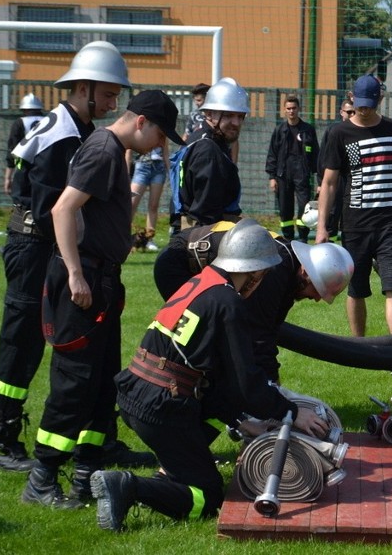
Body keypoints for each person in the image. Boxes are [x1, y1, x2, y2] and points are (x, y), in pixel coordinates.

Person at [90, 219, 329, 531]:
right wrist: (291, 412)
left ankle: (175, 466)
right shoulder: (230, 303)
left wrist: (242, 421)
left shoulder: (202, 283)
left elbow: (218, 380)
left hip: (138, 392)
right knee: (207, 495)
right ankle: (127, 486)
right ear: (255, 273)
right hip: (161, 407)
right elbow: (247, 382)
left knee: (204, 445)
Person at [21, 90, 185, 509]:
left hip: (101, 280)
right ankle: (42, 478)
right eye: (161, 135)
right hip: (84, 282)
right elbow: (63, 209)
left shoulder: (112, 150)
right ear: (142, 122)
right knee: (74, 382)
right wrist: (76, 274)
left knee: (100, 381)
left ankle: (86, 472)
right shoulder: (104, 150)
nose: (161, 146)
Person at [0, 42, 139, 474]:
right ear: (84, 88)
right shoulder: (64, 134)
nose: (114, 104)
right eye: (109, 95)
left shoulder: (77, 127)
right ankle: (2, 436)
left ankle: (95, 440)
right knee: (22, 341)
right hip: (34, 246)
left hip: (44, 245)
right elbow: (50, 207)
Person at [154, 221, 354, 382]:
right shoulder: (276, 271)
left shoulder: (287, 272)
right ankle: (177, 387)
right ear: (306, 272)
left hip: (188, 259)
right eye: (318, 290)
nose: (317, 298)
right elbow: (258, 337)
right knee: (207, 341)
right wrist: (273, 395)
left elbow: (269, 333)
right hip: (178, 266)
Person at [316, 75, 392, 337]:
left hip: (390, 224)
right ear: (351, 98)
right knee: (357, 289)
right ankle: (358, 346)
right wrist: (321, 227)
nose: (364, 109)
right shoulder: (339, 133)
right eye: (359, 104)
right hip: (355, 225)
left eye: (369, 104)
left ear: (380, 100)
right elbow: (328, 183)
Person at [178, 77, 248, 230]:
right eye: (229, 115)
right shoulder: (208, 151)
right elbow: (206, 212)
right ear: (209, 114)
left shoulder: (202, 139)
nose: (236, 123)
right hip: (206, 235)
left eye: (240, 116)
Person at [266, 94, 320, 242]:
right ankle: (288, 239)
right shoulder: (279, 131)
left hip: (302, 175)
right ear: (284, 110)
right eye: (288, 108)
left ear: (299, 109)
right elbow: (272, 154)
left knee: (304, 208)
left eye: (294, 108)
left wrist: (320, 181)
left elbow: (316, 154)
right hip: (283, 175)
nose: (291, 111)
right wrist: (272, 177)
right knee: (285, 210)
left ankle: (303, 238)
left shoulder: (308, 130)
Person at [169, 83, 211, 236]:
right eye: (195, 100)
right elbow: (186, 136)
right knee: (181, 192)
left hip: (205, 160)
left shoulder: (213, 118)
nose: (197, 103)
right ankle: (177, 226)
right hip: (191, 160)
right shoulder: (194, 115)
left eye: (199, 100)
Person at [315, 97, 355, 242]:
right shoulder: (333, 131)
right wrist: (320, 183)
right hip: (334, 181)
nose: (351, 115)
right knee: (331, 216)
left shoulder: (358, 132)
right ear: (341, 113)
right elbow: (323, 158)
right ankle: (328, 254)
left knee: (349, 219)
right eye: (349, 112)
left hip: (351, 182)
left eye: (354, 112)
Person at [3, 93, 44, 196]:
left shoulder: (19, 122)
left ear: (24, 110)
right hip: (45, 165)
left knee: (21, 196)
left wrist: (9, 177)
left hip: (23, 163)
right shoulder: (49, 121)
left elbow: (13, 149)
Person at [129, 143, 169, 251]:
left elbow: (165, 149)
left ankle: (149, 240)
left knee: (153, 205)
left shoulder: (162, 130)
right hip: (141, 165)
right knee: (131, 204)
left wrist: (170, 171)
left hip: (159, 167)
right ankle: (124, 237)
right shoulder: (140, 126)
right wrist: (126, 172)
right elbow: (129, 150)